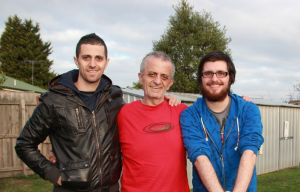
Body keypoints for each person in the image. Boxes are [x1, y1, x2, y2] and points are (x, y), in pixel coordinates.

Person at [15, 33, 125, 192]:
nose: (93, 64)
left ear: (106, 62)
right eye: (86, 57)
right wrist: (54, 175)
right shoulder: (54, 101)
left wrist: (169, 99)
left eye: (98, 58)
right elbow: (24, 144)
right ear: (76, 60)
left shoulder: (114, 98)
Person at [180, 51, 264, 192]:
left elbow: (250, 151)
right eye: (208, 73)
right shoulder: (189, 115)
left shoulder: (248, 109)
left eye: (220, 73)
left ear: (230, 78)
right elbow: (200, 156)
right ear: (201, 78)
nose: (214, 79)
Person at [117, 51, 190, 192]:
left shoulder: (182, 112)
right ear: (141, 77)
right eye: (152, 74)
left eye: (164, 77)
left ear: (169, 83)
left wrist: (241, 103)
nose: (157, 81)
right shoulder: (123, 114)